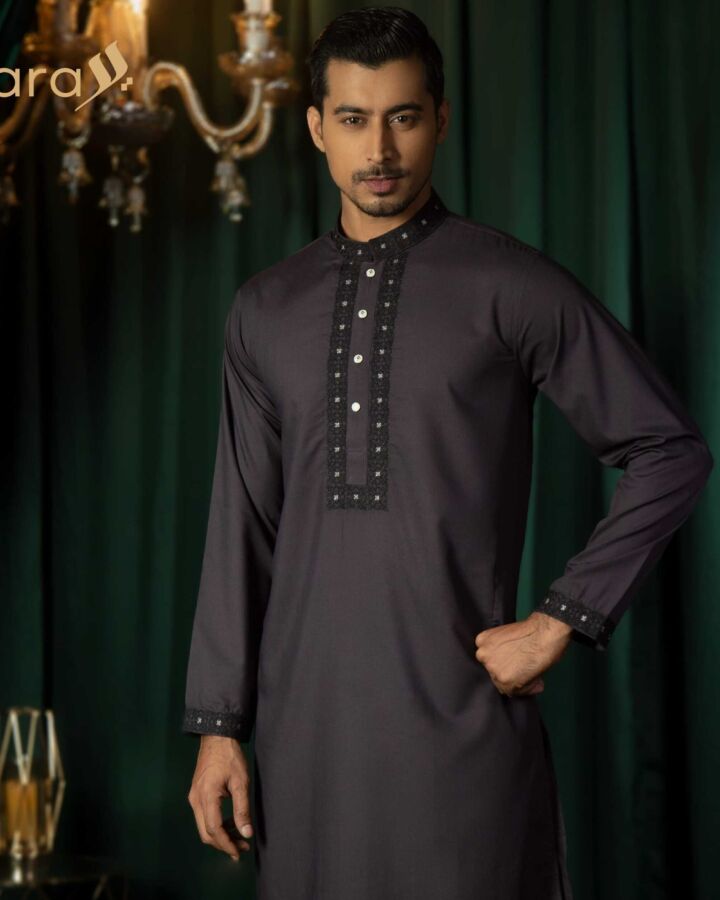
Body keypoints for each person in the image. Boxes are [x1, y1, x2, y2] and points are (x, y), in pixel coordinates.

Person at [182, 7, 713, 899]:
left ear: (441, 118)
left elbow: (670, 448)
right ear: (315, 128)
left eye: (403, 116)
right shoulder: (265, 310)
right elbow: (243, 523)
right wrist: (218, 727)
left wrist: (561, 619)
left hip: (461, 739)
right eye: (353, 119)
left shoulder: (511, 285)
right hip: (303, 742)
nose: (379, 149)